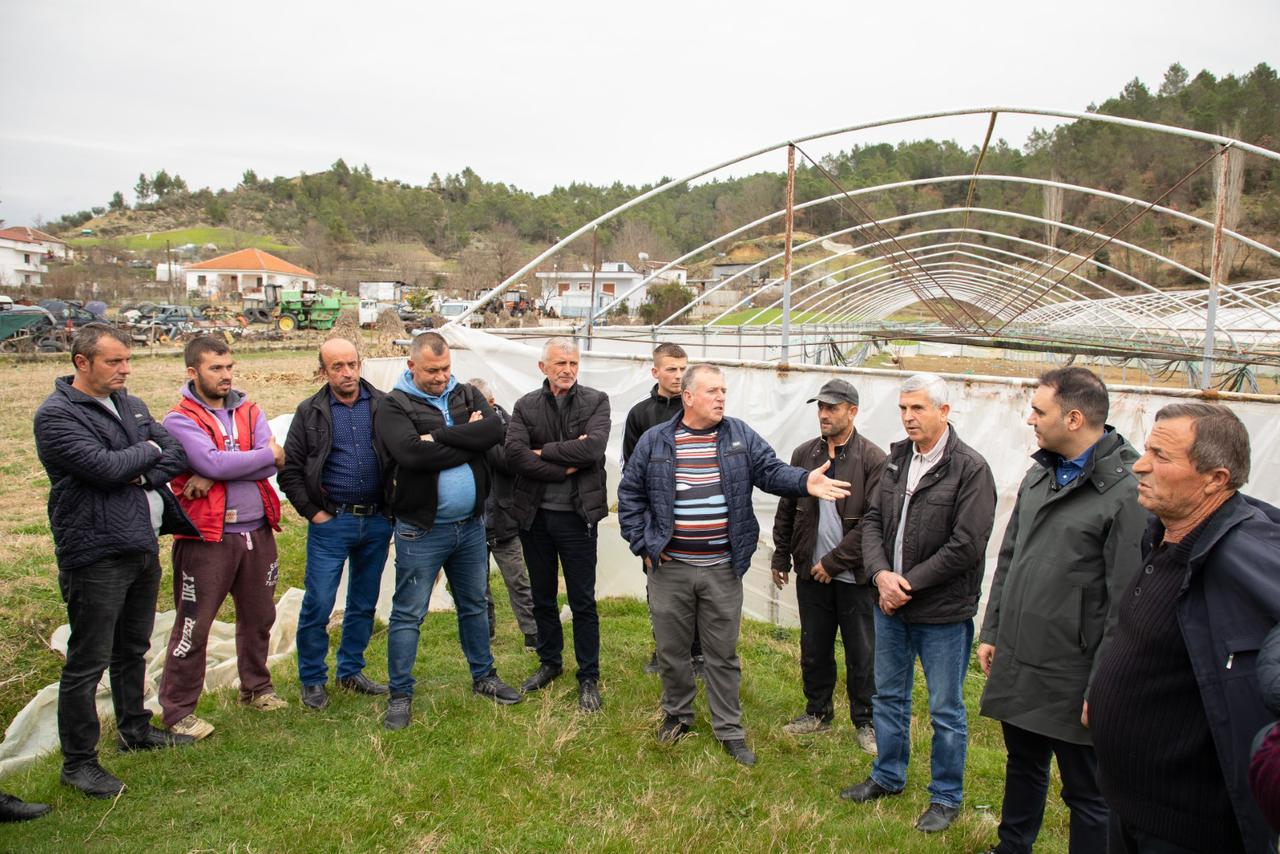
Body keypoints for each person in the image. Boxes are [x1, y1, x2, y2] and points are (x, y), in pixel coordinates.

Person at [618, 364, 852, 766]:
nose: (721, 397)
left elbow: (770, 471)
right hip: (670, 568)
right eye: (712, 391)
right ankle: (678, 715)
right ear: (688, 397)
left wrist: (804, 482)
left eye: (724, 390)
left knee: (721, 653)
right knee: (672, 650)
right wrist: (643, 544)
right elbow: (630, 494)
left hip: (723, 567)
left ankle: (729, 729)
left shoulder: (738, 436)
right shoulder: (657, 441)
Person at [1090, 403, 1280, 854]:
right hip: (1130, 804)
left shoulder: (1244, 554)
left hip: (1188, 828)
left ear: (1215, 479)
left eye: (1161, 455)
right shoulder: (1163, 535)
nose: (1139, 464)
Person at [974, 368, 1147, 854]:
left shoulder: (1127, 491)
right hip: (1022, 657)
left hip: (1074, 672)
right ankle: (1012, 848)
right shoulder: (1041, 472)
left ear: (1073, 418)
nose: (1030, 419)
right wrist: (993, 631)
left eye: (1039, 411)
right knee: (1022, 765)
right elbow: (1010, 556)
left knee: (1087, 792)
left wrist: (1103, 685)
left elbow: (1126, 603)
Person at [34, 323, 197, 799]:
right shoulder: (57, 415)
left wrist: (137, 466)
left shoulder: (131, 403)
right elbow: (105, 469)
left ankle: (136, 730)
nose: (125, 369)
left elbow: (176, 452)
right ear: (81, 362)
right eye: (113, 361)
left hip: (142, 542)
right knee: (88, 660)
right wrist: (143, 452)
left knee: (133, 647)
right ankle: (79, 763)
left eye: (127, 360)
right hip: (96, 551)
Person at [841, 372, 997, 834]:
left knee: (946, 708)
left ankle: (946, 797)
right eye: (903, 409)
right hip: (890, 605)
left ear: (944, 412)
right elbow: (871, 520)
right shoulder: (895, 461)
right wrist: (879, 575)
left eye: (918, 409)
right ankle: (888, 775)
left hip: (942, 613)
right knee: (888, 695)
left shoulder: (970, 468)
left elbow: (966, 544)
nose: (909, 417)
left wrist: (904, 583)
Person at [376, 332, 521, 731]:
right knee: (409, 613)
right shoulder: (394, 405)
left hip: (471, 526)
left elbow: (493, 431)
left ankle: (484, 676)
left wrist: (437, 437)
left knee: (474, 604)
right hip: (422, 530)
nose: (441, 378)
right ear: (412, 367)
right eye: (432, 371)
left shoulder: (465, 393)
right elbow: (410, 454)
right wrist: (467, 439)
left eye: (445, 369)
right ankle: (400, 693)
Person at [160, 335, 288, 741]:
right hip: (207, 536)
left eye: (229, 366)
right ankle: (179, 710)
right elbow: (216, 458)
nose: (226, 375)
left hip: (257, 529)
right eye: (216, 368)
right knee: (194, 624)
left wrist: (216, 470)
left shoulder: (250, 409)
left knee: (260, 617)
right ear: (193, 372)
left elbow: (270, 462)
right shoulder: (179, 419)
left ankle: (257, 688)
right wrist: (229, 462)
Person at [771, 378, 885, 754]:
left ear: (852, 411)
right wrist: (781, 555)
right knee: (814, 646)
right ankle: (817, 712)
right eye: (820, 406)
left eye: (832, 407)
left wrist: (834, 562)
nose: (823, 414)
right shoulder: (805, 454)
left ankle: (865, 720)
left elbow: (874, 522)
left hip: (853, 576)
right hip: (810, 572)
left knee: (860, 650)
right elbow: (788, 506)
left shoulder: (873, 459)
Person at [280, 338, 392, 711]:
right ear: (323, 371)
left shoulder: (382, 405)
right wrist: (315, 513)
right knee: (319, 602)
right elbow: (291, 470)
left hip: (376, 519)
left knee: (364, 601)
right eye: (337, 367)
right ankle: (312, 678)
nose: (346, 373)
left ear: (361, 364)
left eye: (351, 364)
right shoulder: (310, 412)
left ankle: (351, 669)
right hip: (333, 521)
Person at [505, 337, 611, 712]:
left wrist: (542, 451)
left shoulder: (596, 400)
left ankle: (588, 675)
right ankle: (550, 662)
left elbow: (593, 449)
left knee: (583, 600)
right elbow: (515, 455)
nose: (567, 369)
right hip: (535, 517)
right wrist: (564, 463)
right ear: (543, 367)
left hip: (578, 517)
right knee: (543, 596)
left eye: (573, 363)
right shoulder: (526, 405)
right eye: (560, 363)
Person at [621, 342, 699, 675]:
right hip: (656, 520)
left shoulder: (698, 406)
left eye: (683, 369)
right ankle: (663, 649)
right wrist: (642, 530)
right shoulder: (641, 415)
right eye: (671, 369)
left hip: (694, 515)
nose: (679, 375)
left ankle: (697, 654)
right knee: (660, 590)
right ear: (655, 372)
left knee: (698, 588)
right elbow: (632, 476)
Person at [467, 377, 538, 651]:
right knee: (477, 585)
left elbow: (507, 463)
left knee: (518, 580)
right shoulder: (462, 427)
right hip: (473, 519)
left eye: (479, 404)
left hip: (505, 518)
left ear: (491, 402)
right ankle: (486, 632)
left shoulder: (510, 429)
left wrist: (480, 437)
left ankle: (532, 633)